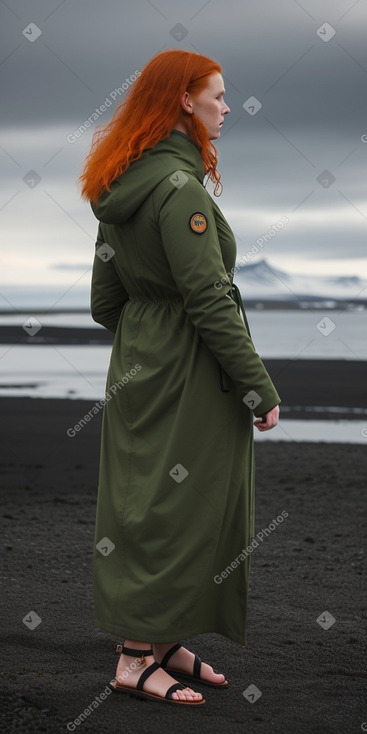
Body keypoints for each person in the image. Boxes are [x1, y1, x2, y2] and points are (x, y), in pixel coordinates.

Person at [79, 49, 280, 707]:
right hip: (190, 372)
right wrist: (257, 387)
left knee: (151, 505)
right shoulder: (180, 190)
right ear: (182, 103)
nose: (227, 108)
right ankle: (135, 659)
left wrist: (147, 342)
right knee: (174, 511)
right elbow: (208, 298)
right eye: (217, 96)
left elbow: (105, 303)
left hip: (139, 366)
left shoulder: (121, 182)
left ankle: (161, 641)